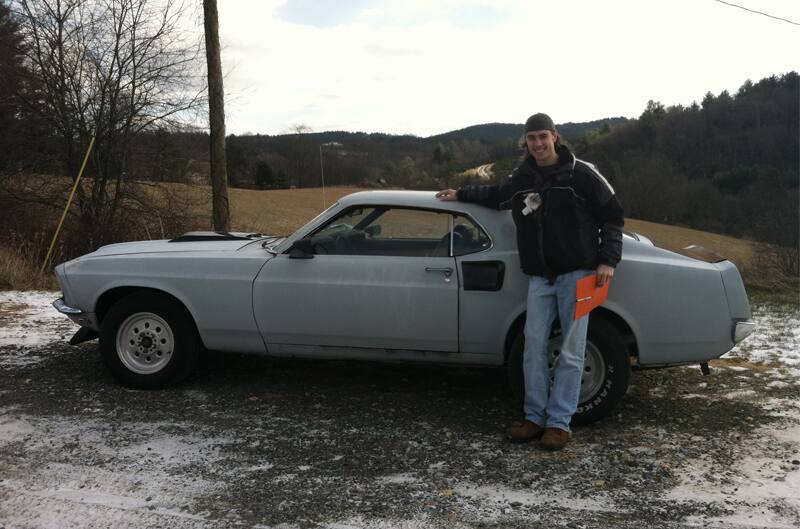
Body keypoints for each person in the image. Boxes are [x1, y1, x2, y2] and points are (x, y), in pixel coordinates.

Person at [436, 113, 623, 450]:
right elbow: (496, 194)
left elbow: (613, 216)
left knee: (571, 349)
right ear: (526, 142)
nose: (537, 144)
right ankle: (534, 417)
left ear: (555, 137)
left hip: (578, 274)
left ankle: (559, 424)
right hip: (539, 277)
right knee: (533, 347)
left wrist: (608, 260)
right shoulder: (522, 176)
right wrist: (460, 193)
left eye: (542, 137)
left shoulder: (582, 173)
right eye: (531, 138)